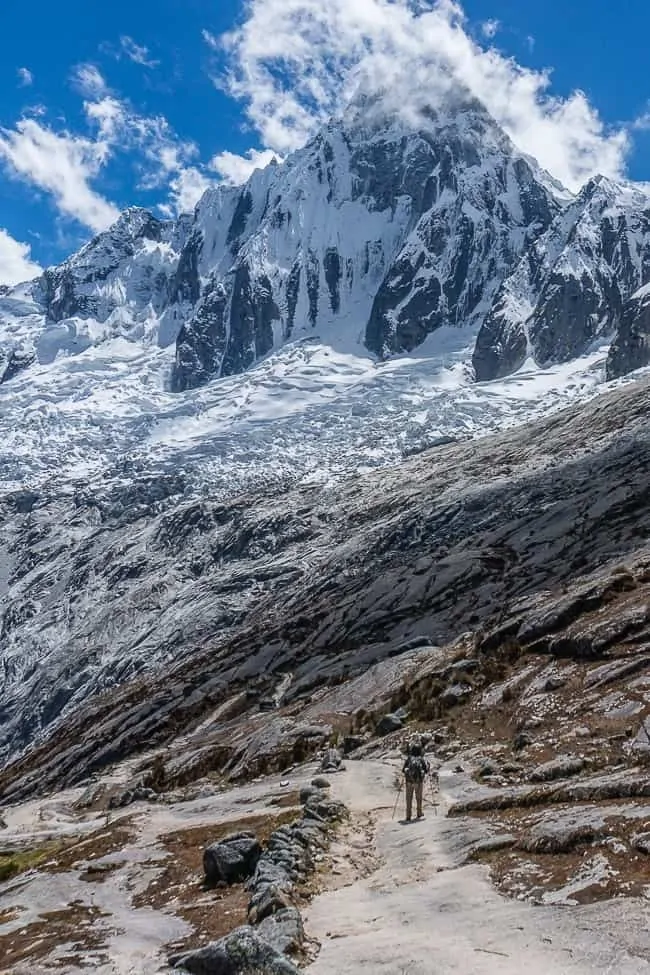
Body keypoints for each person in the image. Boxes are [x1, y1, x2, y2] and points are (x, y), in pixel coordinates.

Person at [402, 738, 430, 822]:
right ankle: (419, 813)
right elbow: (426, 770)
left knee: (409, 799)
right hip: (418, 782)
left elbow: (403, 770)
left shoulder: (409, 759)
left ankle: (408, 815)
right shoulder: (421, 759)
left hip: (409, 782)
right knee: (419, 798)